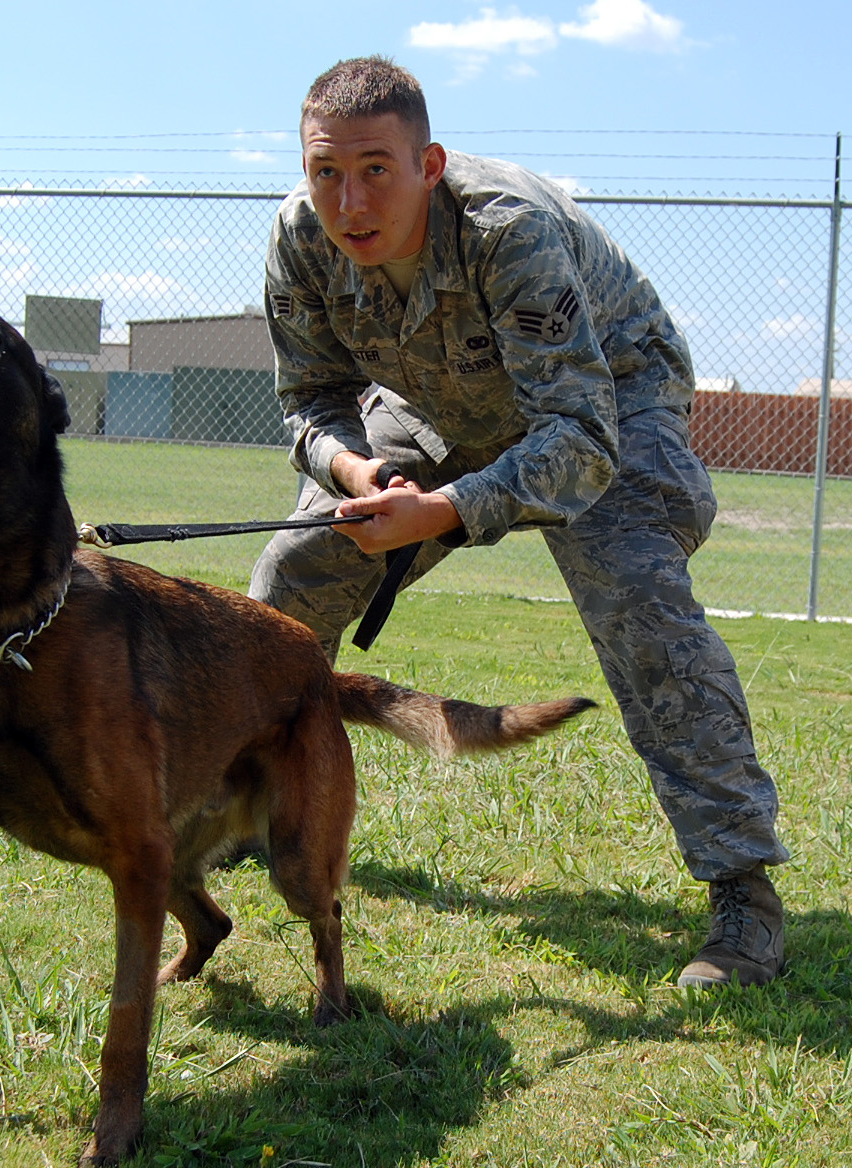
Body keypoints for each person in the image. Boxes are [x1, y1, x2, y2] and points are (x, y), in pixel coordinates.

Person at [249, 56, 791, 988]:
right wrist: (354, 469)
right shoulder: (300, 240)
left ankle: (743, 890)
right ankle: (248, 804)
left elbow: (578, 439)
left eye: (376, 168)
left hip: (608, 403)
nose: (349, 200)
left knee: (638, 602)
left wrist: (443, 511)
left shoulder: (508, 232)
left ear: (429, 165)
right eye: (325, 171)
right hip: (432, 409)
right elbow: (310, 399)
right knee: (294, 574)